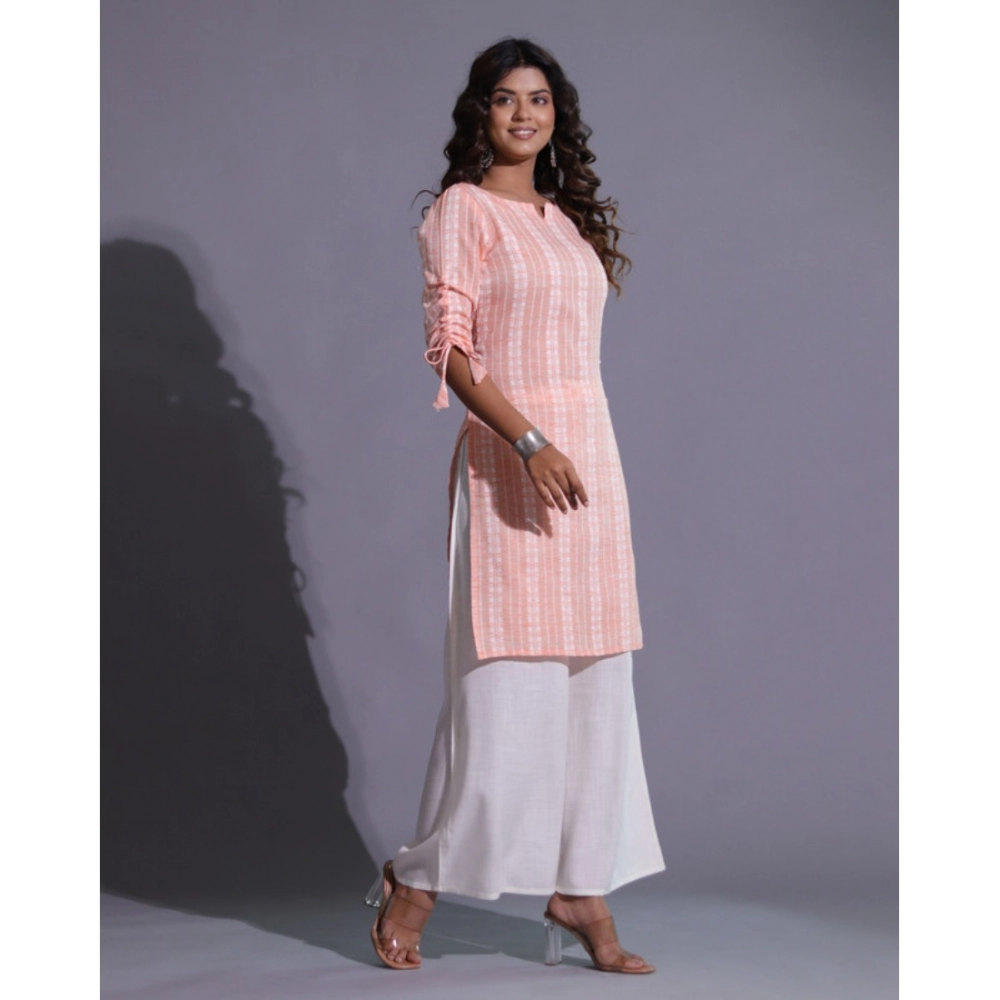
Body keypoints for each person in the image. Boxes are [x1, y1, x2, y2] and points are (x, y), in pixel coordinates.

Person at [366, 37, 665, 974]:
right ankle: (416, 880)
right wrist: (530, 443)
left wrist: (566, 448)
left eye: (538, 99)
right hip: (513, 461)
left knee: (596, 682)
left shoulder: (564, 220)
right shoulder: (463, 210)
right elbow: (451, 352)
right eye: (505, 99)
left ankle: (581, 887)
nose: (524, 114)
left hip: (591, 463)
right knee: (504, 691)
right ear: (481, 114)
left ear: (556, 114)